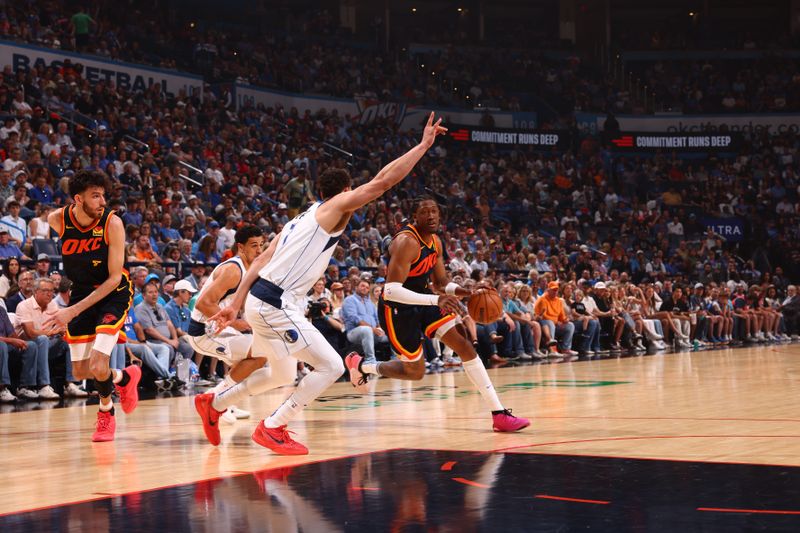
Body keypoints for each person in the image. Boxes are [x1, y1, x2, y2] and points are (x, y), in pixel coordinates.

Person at [201, 113, 449, 455]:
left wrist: (234, 304)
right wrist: (423, 146)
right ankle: (273, 427)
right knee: (331, 366)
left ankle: (212, 403)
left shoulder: (296, 221)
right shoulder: (334, 208)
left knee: (281, 374)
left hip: (260, 300)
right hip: (276, 303)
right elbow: (381, 182)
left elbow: (259, 261)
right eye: (353, 194)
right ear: (345, 193)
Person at [347, 195, 530, 433]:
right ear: (415, 216)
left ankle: (499, 414)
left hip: (425, 300)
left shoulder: (435, 242)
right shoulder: (406, 242)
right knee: (415, 373)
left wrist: (468, 291)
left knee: (465, 346)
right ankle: (363, 366)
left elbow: (441, 282)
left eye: (434, 211)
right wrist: (436, 298)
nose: (431, 216)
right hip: (397, 310)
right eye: (425, 212)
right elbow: (391, 291)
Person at [44, 170, 140, 442]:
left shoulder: (112, 223)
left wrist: (71, 311)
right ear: (78, 198)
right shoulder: (57, 219)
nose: (102, 201)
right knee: (83, 371)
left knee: (99, 363)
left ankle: (106, 413)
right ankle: (124, 378)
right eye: (95, 196)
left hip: (113, 292)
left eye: (103, 195)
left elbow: (112, 279)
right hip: (82, 293)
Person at [187, 226, 267, 427]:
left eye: (262, 245)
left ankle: (226, 403)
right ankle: (214, 399)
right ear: (241, 247)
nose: (259, 251)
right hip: (202, 331)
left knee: (244, 360)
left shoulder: (250, 269)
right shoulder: (233, 270)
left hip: (218, 328)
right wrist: (235, 322)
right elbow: (202, 303)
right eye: (254, 246)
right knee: (260, 354)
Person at [341, 280, 388, 368]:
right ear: (356, 287)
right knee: (366, 330)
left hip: (373, 333)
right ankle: (370, 361)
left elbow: (377, 319)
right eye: (362, 286)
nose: (365, 288)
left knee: (391, 333)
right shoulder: (349, 300)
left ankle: (396, 359)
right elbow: (354, 318)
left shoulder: (370, 303)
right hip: (354, 332)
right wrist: (373, 329)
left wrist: (380, 329)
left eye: (367, 287)